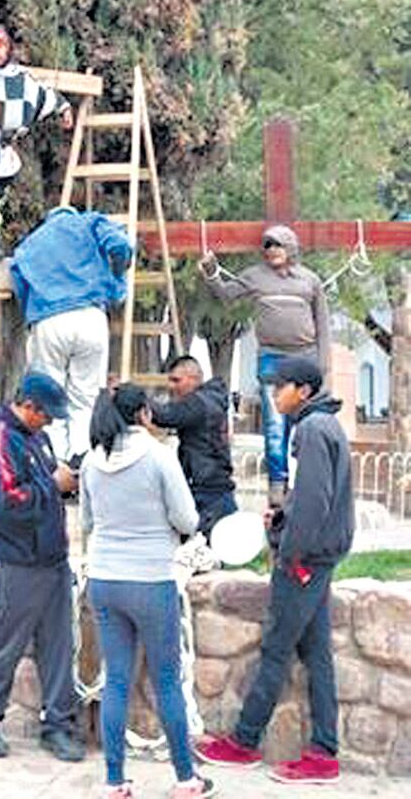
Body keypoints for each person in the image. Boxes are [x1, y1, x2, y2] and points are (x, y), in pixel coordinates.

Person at [197, 356, 354, 785]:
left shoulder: (311, 429)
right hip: (317, 555)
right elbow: (308, 500)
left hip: (304, 561)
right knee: (316, 655)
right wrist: (282, 518)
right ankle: (324, 751)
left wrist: (287, 549)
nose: (274, 394)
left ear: (303, 390)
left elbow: (315, 502)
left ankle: (245, 742)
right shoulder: (319, 426)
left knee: (275, 649)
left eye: (280, 387)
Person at [80, 384, 215, 799]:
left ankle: (115, 782)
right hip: (150, 580)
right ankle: (186, 779)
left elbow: (87, 522)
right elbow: (188, 518)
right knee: (167, 681)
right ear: (143, 413)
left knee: (116, 680)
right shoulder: (159, 456)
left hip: (103, 579)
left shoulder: (91, 460)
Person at [0, 371, 85, 764]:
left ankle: (58, 725)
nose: (49, 422)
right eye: (46, 415)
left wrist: (64, 482)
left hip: (51, 560)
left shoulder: (37, 438)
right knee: (0, 644)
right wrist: (55, 485)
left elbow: (45, 488)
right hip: (15, 561)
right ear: (28, 406)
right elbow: (9, 501)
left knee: (59, 646)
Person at [199, 224, 330, 506]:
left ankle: (309, 481)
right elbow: (226, 293)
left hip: (305, 358)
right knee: (274, 424)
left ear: (291, 247)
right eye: (268, 245)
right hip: (272, 359)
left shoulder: (310, 280)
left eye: (278, 244)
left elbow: (323, 324)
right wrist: (211, 272)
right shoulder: (255, 276)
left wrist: (323, 365)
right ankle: (277, 486)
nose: (272, 250)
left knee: (309, 421)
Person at [11, 206, 133, 462]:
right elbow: (121, 245)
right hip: (91, 316)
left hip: (49, 319)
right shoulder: (90, 223)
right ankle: (82, 458)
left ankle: (55, 462)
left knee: (49, 394)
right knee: (86, 396)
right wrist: (117, 280)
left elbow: (19, 284)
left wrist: (31, 316)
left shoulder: (31, 243)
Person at [0, 23, 74, 259]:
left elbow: (44, 96)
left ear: (8, 48)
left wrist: (64, 107)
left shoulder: (22, 79)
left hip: (5, 151)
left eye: (0, 45)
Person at [152, 356, 237, 541]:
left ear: (194, 378)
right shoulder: (211, 399)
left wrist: (135, 399)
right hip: (214, 488)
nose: (171, 387)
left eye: (176, 380)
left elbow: (167, 416)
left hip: (208, 493)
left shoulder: (198, 403)